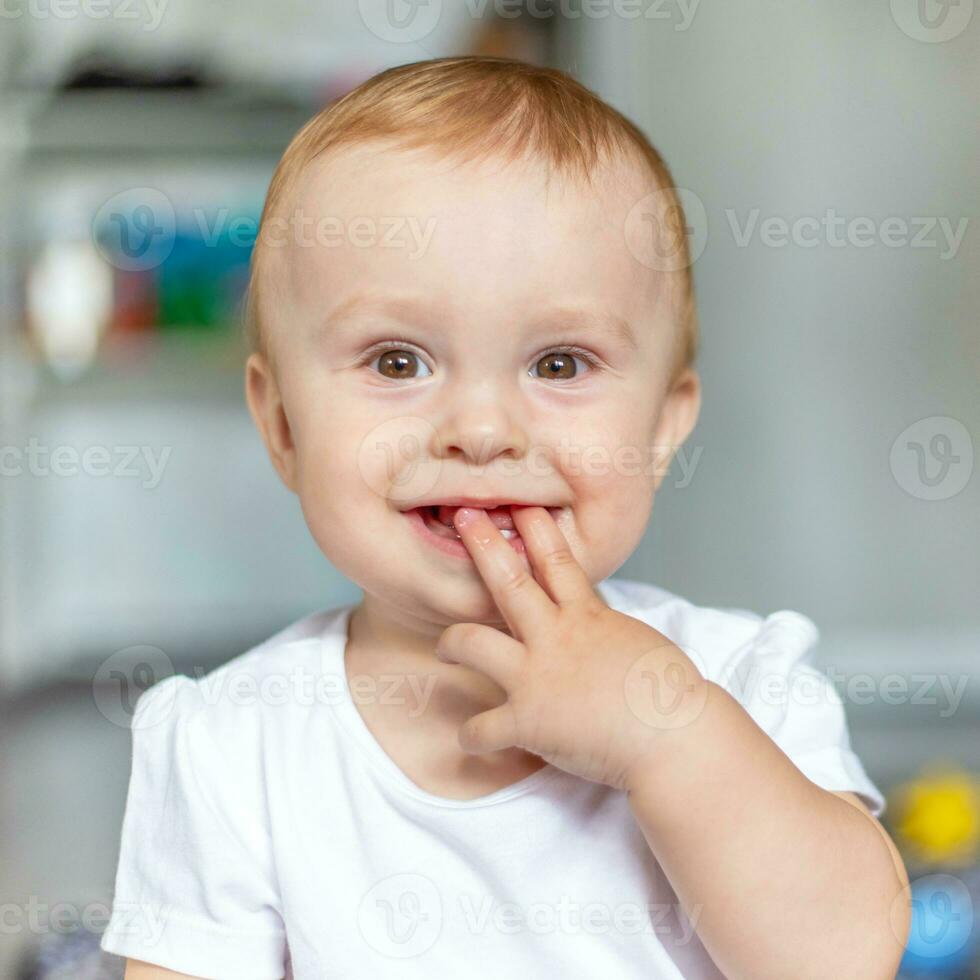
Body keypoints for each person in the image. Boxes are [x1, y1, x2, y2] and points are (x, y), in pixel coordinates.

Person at [100, 56, 910, 979]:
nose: (482, 430)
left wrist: (667, 735)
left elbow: (844, 955)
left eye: (559, 364)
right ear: (283, 425)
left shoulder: (742, 682)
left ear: (660, 427)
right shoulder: (233, 742)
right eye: (398, 362)